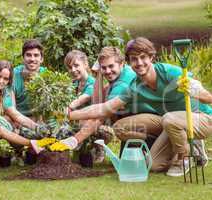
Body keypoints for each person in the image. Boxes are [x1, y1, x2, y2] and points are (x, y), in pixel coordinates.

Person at [52, 37, 212, 177]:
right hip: (168, 122)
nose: (139, 63)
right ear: (129, 62)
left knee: (170, 119)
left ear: (151, 57)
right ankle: (178, 144)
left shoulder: (170, 73)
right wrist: (69, 115)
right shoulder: (136, 86)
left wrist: (196, 91)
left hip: (200, 119)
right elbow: (105, 108)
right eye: (134, 59)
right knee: (153, 165)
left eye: (143, 57)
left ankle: (185, 157)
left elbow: (208, 98)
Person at [49, 46, 136, 159]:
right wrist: (99, 74)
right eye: (104, 67)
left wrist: (75, 138)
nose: (108, 71)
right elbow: (97, 101)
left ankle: (95, 148)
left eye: (111, 66)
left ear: (121, 63)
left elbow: (102, 112)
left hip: (138, 121)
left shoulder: (122, 83)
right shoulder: (117, 77)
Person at [10, 39, 47, 118]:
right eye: (28, 55)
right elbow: (12, 108)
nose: (32, 59)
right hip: (18, 117)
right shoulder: (13, 75)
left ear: (41, 59)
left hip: (39, 117)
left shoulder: (46, 75)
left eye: (36, 55)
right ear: (23, 58)